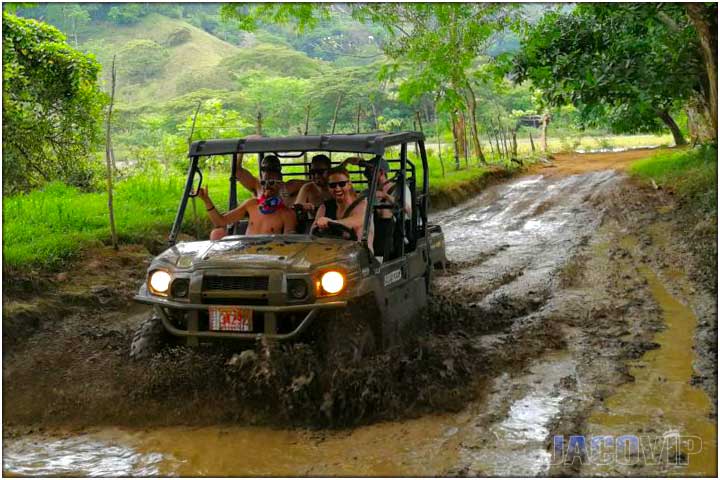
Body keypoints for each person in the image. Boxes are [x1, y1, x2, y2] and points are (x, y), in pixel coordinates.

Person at [196, 169, 297, 239]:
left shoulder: (287, 214)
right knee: (217, 233)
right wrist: (206, 200)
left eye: (271, 183)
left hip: (269, 258)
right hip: (246, 253)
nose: (267, 186)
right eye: (263, 182)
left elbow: (289, 243)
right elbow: (220, 221)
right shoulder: (251, 204)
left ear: (281, 185)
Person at [344, 157, 412, 259]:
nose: (368, 177)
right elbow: (354, 208)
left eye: (370, 172)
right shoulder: (367, 192)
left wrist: (386, 196)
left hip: (396, 230)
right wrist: (346, 162)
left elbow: (408, 210)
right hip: (370, 230)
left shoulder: (400, 189)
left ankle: (379, 258)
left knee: (384, 213)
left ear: (381, 172)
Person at [312, 166, 372, 247]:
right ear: (328, 187)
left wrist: (331, 222)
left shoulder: (362, 204)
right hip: (330, 252)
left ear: (349, 184)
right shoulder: (324, 207)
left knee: (360, 230)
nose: (337, 188)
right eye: (332, 185)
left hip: (357, 254)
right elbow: (313, 232)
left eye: (342, 184)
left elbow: (358, 220)